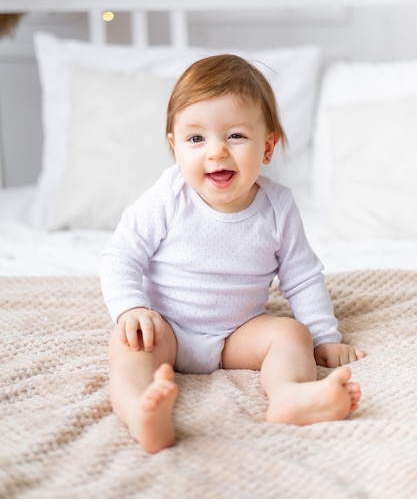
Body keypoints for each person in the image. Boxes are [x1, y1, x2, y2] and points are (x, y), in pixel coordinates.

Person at [100, 54, 365, 454]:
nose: (217, 152)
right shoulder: (169, 196)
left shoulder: (278, 206)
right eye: (196, 139)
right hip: (168, 328)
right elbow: (121, 255)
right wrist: (131, 308)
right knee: (129, 347)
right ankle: (140, 411)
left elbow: (302, 276)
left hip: (237, 335)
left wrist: (324, 336)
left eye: (236, 136)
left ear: (268, 146)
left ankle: (289, 396)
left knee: (292, 333)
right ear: (175, 146)